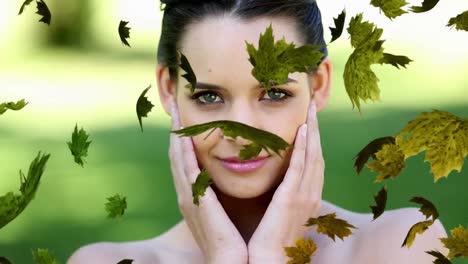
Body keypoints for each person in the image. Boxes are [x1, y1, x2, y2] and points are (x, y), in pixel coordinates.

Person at [68, 1, 448, 263]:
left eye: (274, 93)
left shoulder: (404, 244)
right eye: (209, 96)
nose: (243, 134)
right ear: (169, 90)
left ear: (318, 85)